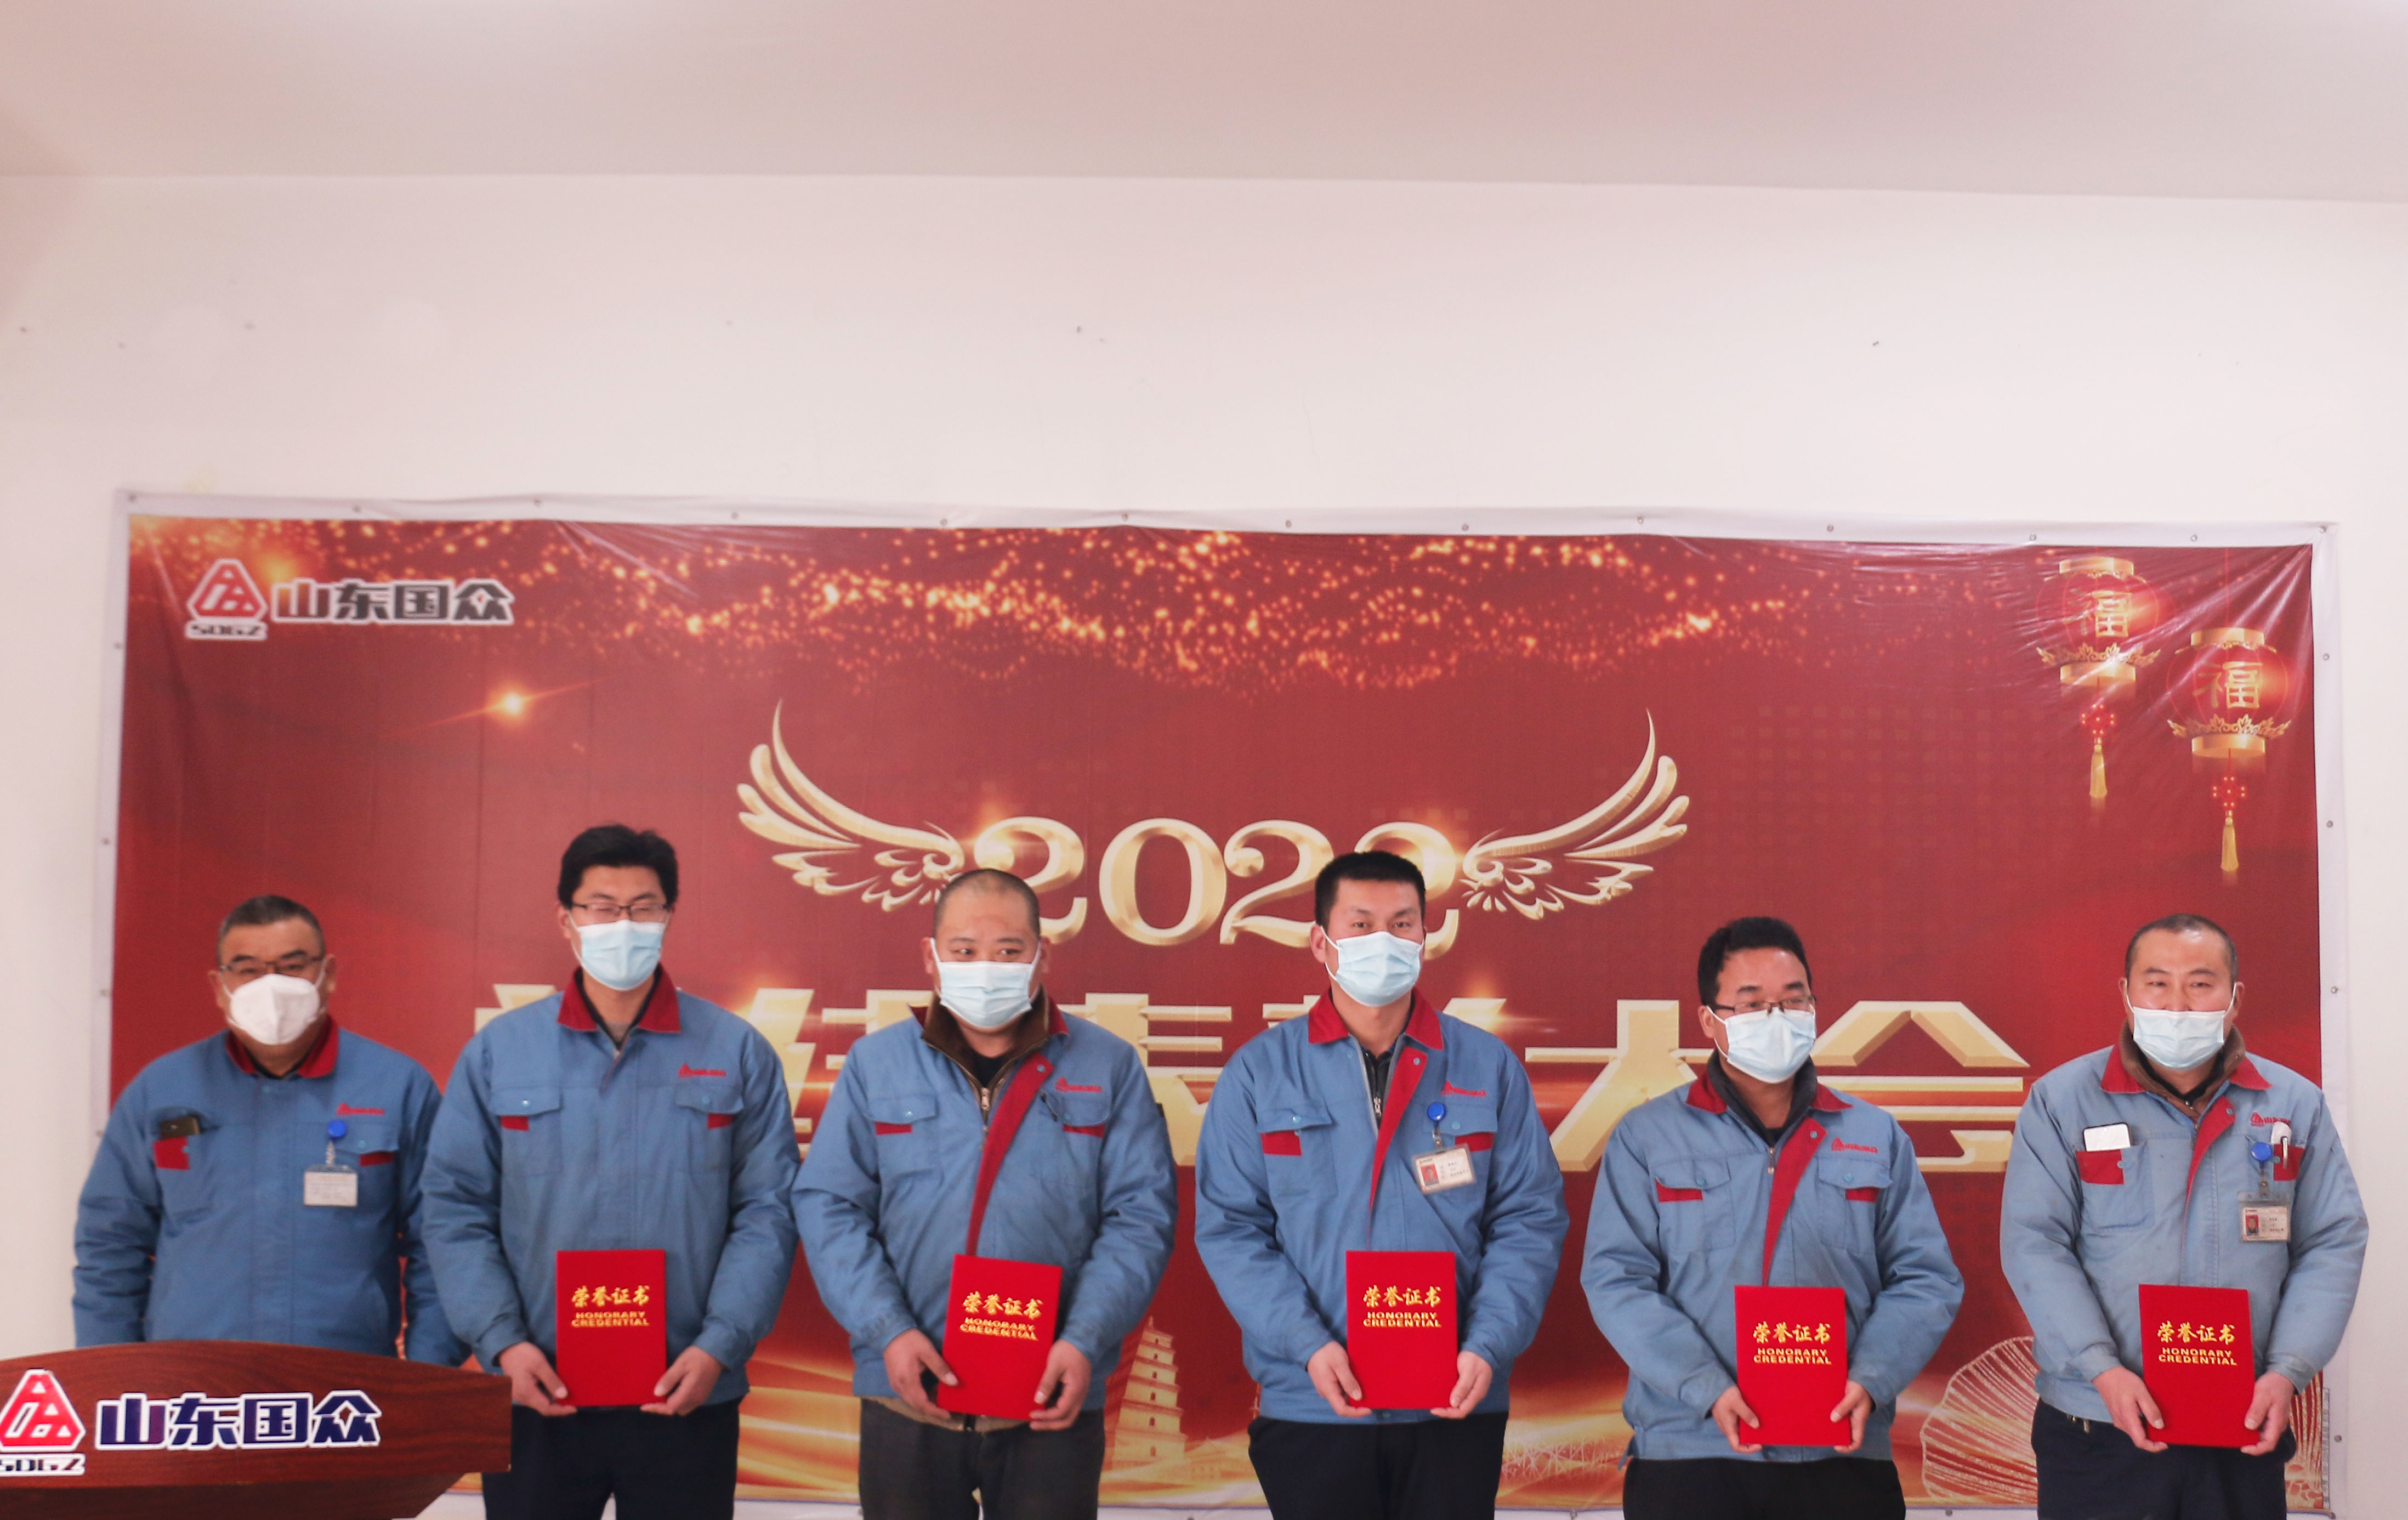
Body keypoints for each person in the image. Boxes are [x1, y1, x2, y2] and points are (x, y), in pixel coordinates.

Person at [424, 825, 798, 1520]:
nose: (622, 925)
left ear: (668, 917)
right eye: (601, 907)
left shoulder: (736, 1051)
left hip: (687, 1388)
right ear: (566, 919)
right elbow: (454, 1208)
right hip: (539, 1388)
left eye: (642, 907)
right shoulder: (501, 1053)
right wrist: (502, 1343)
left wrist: (720, 1345)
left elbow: (767, 1211)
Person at [794, 868, 1178, 1520]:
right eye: (965, 950)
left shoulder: (1106, 1065)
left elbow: (1140, 1217)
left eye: (1008, 951)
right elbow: (831, 1206)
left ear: (1041, 955)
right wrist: (889, 1332)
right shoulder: (876, 1064)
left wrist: (1083, 1340)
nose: (986, 968)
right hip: (908, 1390)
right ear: (932, 956)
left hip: (1050, 1390)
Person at [1194, 850, 1568, 1520]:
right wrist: (1308, 1345)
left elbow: (1528, 1220)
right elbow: (1232, 1230)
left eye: (1402, 924)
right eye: (1361, 925)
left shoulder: (1486, 1066)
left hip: (1454, 1401)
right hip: (1313, 1402)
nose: (1384, 942)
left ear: (1425, 937)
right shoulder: (1260, 1073)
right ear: (1321, 942)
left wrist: (1487, 1344)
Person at [1581, 916, 1962, 1520]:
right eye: (1753, 1004)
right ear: (1710, 1021)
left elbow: (1926, 1277)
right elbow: (1616, 1280)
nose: (1778, 1018)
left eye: (1794, 1000)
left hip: (1841, 1450)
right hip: (1692, 1450)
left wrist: (1872, 1379)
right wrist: (1705, 1387)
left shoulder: (1874, 1135)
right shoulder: (1648, 1137)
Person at [2001, 913, 2365, 1520]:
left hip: (2242, 1419)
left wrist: (2288, 1370)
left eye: (2199, 984)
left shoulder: (2293, 1104)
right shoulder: (2063, 1102)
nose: (2176, 1004)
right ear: (2126, 994)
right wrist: (2102, 1370)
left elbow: (2333, 1241)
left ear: (2234, 998)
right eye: (2157, 983)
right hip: (2097, 1424)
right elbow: (2035, 1243)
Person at [73, 894, 462, 1363]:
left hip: (347, 1378)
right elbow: (110, 1245)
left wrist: (427, 1377)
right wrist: (110, 1376)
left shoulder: (397, 1086)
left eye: (292, 967)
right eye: (249, 970)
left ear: (328, 975)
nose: (271, 986)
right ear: (220, 986)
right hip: (194, 1378)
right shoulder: (162, 1090)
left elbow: (441, 1243)